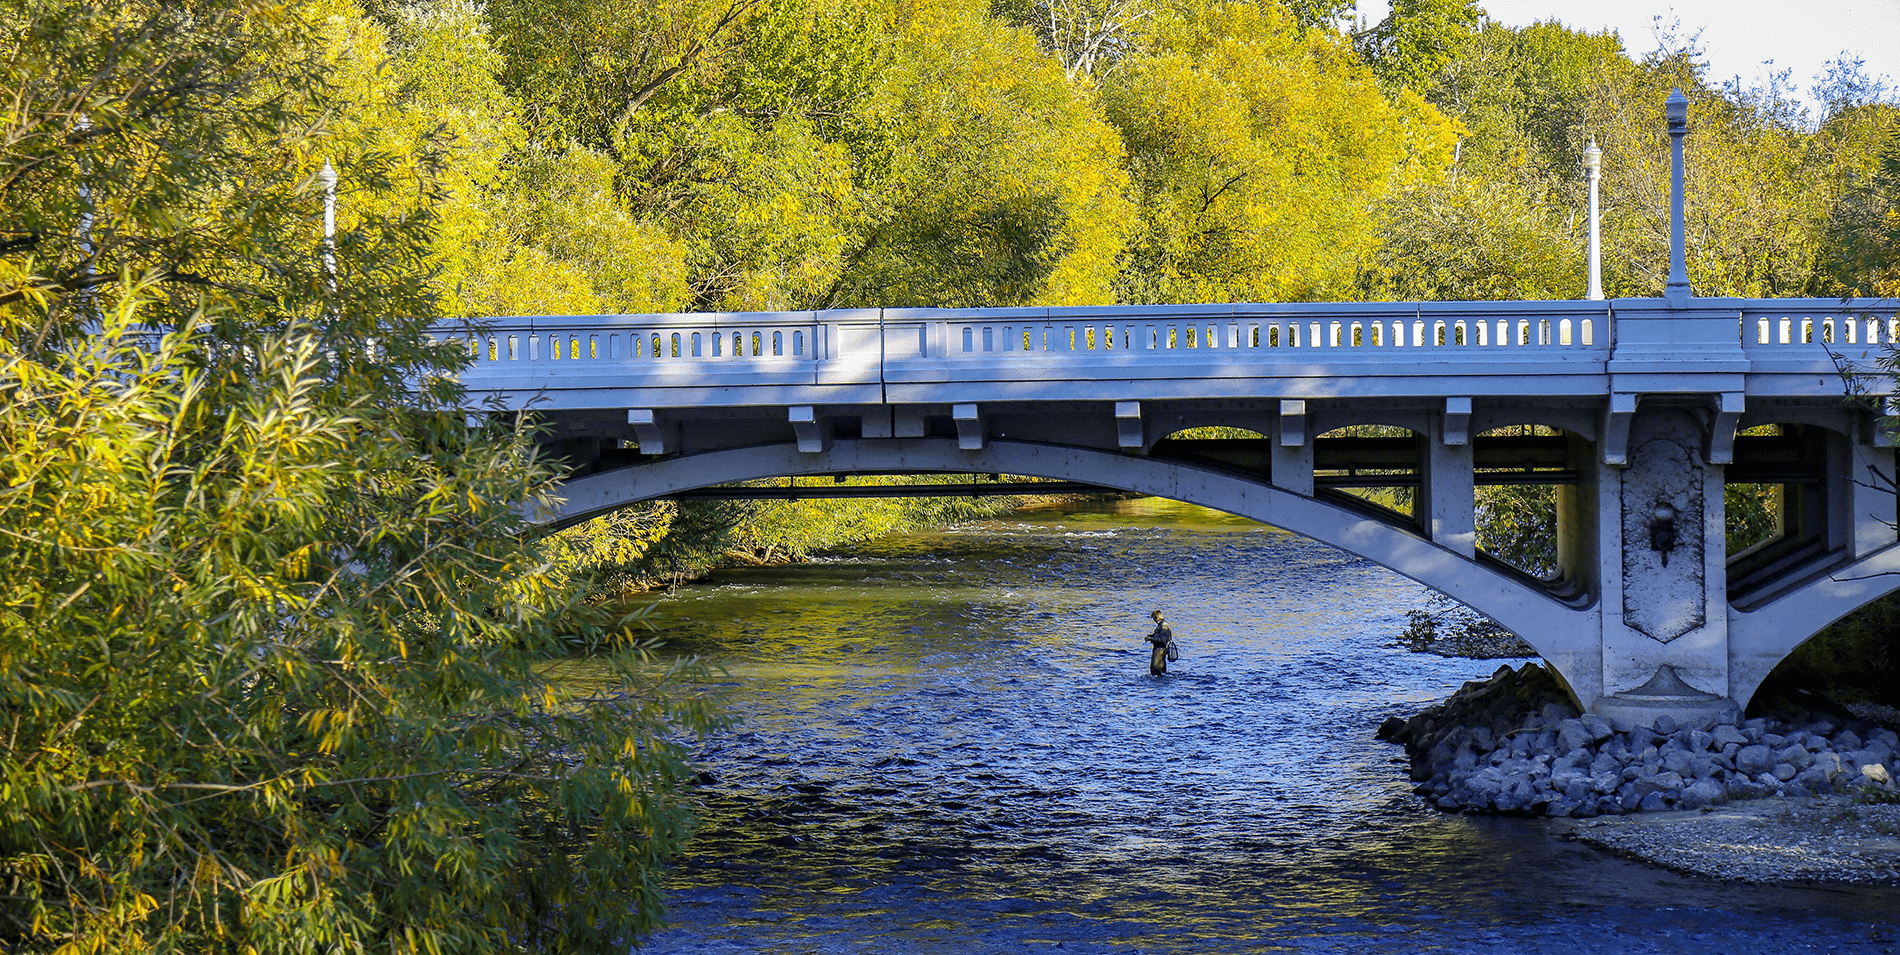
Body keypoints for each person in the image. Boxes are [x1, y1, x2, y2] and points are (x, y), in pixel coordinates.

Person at [1145, 610, 1176, 676]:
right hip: (1160, 650)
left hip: (1160, 651)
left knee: (1156, 670)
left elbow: (1163, 639)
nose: (1154, 621)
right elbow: (1159, 636)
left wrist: (1151, 639)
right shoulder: (1162, 625)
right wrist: (1151, 636)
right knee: (1159, 671)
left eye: (1154, 618)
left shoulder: (1163, 625)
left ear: (1156, 617)